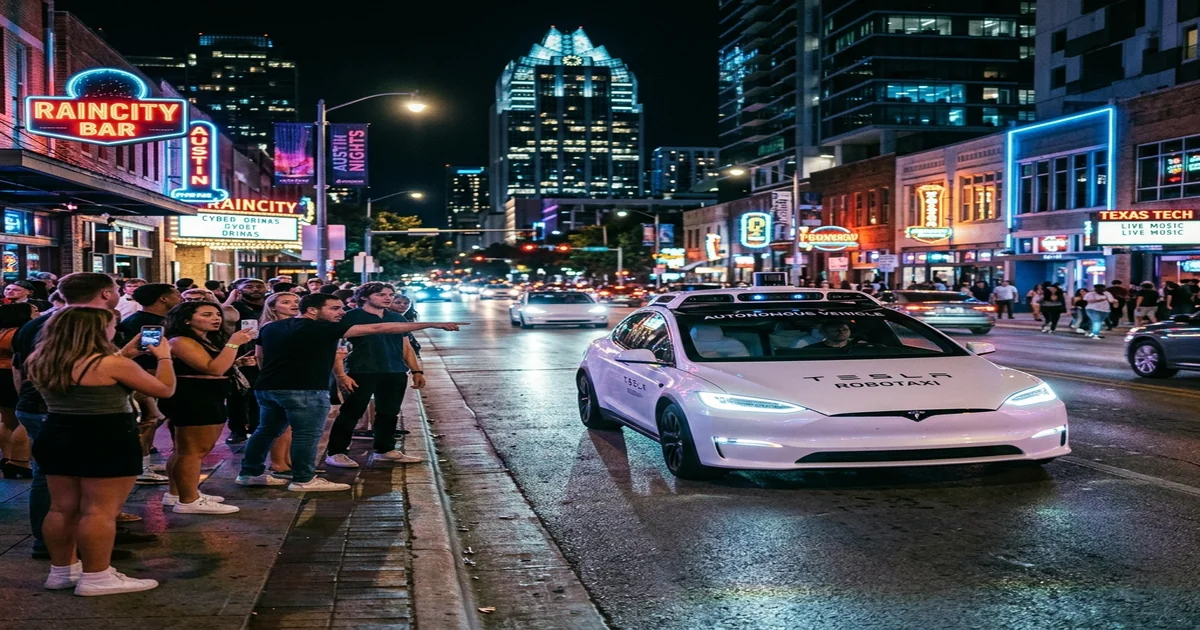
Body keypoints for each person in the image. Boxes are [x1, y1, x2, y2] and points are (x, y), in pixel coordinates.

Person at [235, 294, 466, 492]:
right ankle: (304, 479)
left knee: (265, 430)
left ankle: (250, 473)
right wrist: (432, 324)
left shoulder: (270, 327)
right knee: (306, 435)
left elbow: (260, 357)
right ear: (313, 310)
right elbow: (379, 328)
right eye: (334, 308)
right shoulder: (322, 327)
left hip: (268, 388)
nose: (341, 312)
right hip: (305, 390)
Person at [26, 306, 175, 596]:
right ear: (95, 331)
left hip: (56, 434)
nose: (114, 331)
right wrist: (164, 356)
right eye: (110, 326)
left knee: (61, 508)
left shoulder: (40, 359)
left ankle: (62, 571)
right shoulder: (111, 364)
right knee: (99, 510)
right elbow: (165, 389)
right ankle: (97, 577)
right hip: (106, 437)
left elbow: (89, 375)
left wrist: (125, 355)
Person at [159, 301, 257, 514]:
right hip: (194, 398)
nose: (216, 318)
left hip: (208, 396)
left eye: (217, 314)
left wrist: (237, 362)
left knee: (184, 450)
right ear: (187, 319)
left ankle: (178, 493)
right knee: (193, 451)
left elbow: (215, 366)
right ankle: (189, 500)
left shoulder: (204, 340)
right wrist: (233, 343)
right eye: (206, 314)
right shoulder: (181, 341)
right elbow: (213, 369)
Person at [326, 284, 427, 469]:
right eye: (381, 294)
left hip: (394, 371)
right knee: (351, 413)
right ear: (364, 297)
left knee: (389, 412)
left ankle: (385, 450)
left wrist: (416, 371)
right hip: (361, 371)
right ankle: (336, 452)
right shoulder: (350, 317)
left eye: (390, 294)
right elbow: (335, 347)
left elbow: (406, 346)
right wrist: (340, 375)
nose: (387, 298)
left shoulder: (396, 317)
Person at [118, 283, 182, 485]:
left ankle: (143, 462)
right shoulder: (150, 323)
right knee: (148, 420)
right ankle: (141, 466)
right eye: (176, 294)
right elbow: (146, 356)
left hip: (146, 377)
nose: (180, 297)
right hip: (145, 378)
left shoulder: (138, 320)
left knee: (151, 421)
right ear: (163, 298)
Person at [256, 292, 301, 477]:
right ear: (273, 307)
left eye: (296, 301)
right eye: (286, 302)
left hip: (291, 377)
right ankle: (277, 463)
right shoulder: (271, 327)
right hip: (279, 379)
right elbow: (260, 355)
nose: (293, 305)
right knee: (278, 425)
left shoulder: (295, 325)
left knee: (288, 425)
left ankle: (286, 460)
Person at [225, 279, 267, 444]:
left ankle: (257, 427)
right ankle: (237, 430)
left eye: (259, 286)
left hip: (264, 355)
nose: (255, 289)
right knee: (238, 394)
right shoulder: (235, 309)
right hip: (240, 355)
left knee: (260, 394)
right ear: (238, 290)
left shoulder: (270, 306)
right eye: (249, 286)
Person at [0, 303, 37, 478]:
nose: (38, 313)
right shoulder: (21, 333)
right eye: (34, 310)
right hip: (12, 375)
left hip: (2, 375)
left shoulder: (3, 331)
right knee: (23, 420)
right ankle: (20, 461)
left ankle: (7, 457)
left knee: (7, 421)